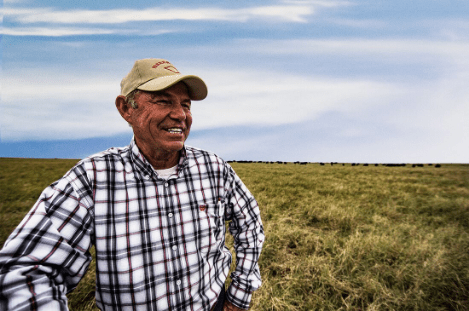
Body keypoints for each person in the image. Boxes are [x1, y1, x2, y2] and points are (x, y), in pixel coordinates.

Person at [0, 58, 265, 311]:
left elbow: (250, 222)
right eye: (163, 101)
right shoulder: (92, 179)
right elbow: (25, 272)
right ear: (126, 109)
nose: (180, 115)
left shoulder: (213, 168)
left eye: (186, 104)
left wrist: (239, 296)